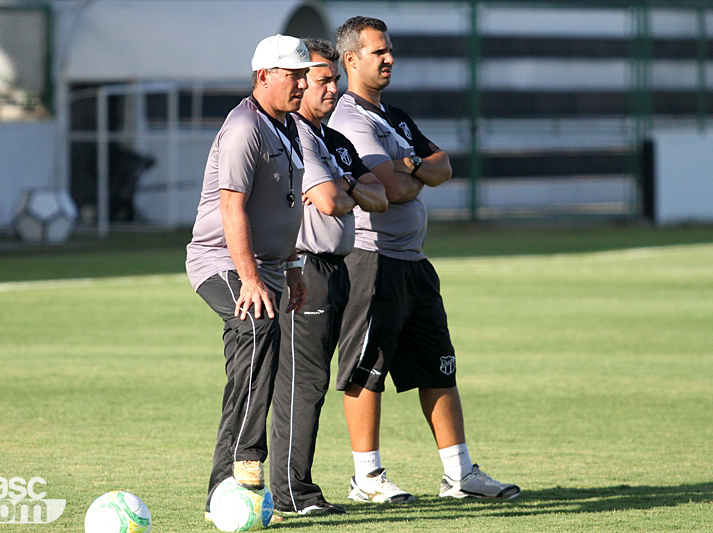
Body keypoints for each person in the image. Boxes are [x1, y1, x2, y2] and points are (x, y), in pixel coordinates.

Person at [328, 16, 521, 503]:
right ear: (351, 59)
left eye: (390, 49)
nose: (389, 57)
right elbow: (389, 189)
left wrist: (409, 165)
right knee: (366, 370)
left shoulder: (394, 116)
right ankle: (366, 479)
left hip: (413, 263)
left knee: (439, 368)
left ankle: (460, 475)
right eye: (378, 52)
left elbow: (443, 166)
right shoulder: (348, 119)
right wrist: (411, 172)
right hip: (373, 263)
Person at [185, 34, 327, 519]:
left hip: (268, 266)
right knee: (255, 324)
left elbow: (283, 210)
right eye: (295, 75)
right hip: (218, 260)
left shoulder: (285, 126)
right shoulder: (246, 126)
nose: (303, 84)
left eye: (305, 75)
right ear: (264, 75)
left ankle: (221, 492)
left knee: (250, 357)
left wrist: (291, 268)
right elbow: (232, 209)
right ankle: (246, 461)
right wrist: (250, 278)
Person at [269, 38, 388, 517]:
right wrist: (350, 188)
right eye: (322, 80)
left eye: (335, 79)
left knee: (311, 379)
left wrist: (349, 186)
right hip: (305, 267)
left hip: (338, 266)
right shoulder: (296, 133)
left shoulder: (333, 139)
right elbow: (329, 202)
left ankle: (294, 486)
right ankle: (292, 491)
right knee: (304, 380)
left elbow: (382, 196)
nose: (333, 88)